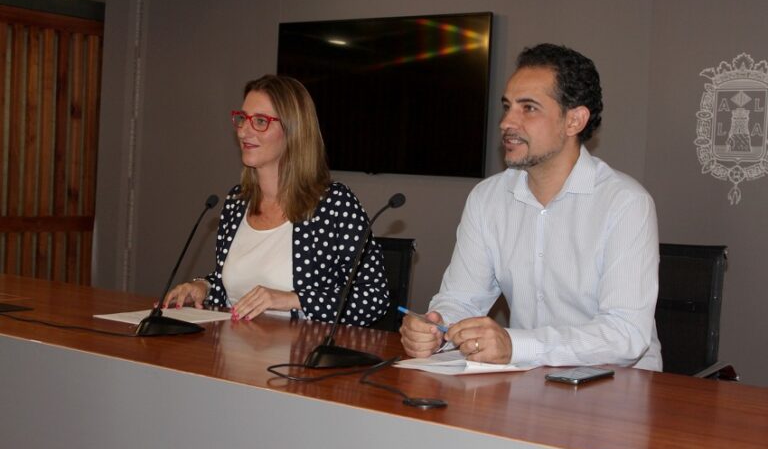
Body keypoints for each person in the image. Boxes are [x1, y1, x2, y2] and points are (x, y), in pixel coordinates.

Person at [400, 43, 662, 370]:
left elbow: (625, 334)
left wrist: (515, 345)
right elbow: (462, 299)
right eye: (507, 106)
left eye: (529, 108)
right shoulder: (488, 199)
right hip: (526, 383)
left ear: (574, 120)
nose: (507, 122)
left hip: (618, 390)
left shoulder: (625, 203)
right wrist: (435, 328)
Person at [163, 75, 389, 326]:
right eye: (242, 118)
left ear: (293, 132)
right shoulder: (237, 202)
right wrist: (202, 287)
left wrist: (293, 299)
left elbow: (373, 299)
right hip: (231, 355)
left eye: (260, 121)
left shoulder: (334, 204)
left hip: (298, 360)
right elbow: (232, 289)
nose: (243, 130)